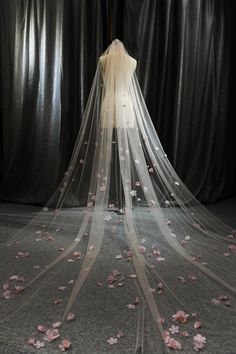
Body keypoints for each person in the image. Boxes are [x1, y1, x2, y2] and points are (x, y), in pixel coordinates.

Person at [0, 39, 235, 353]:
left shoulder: (105, 60)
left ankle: (118, 197)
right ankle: (118, 197)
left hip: (114, 104)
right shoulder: (130, 62)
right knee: (117, 155)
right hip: (121, 105)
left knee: (119, 155)